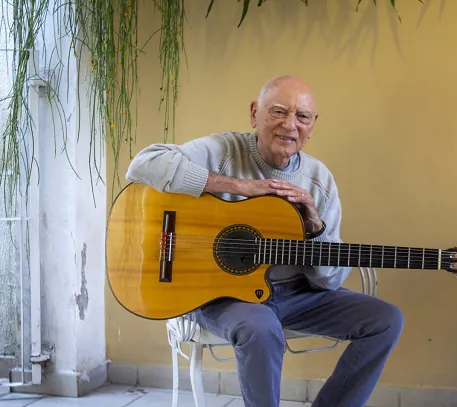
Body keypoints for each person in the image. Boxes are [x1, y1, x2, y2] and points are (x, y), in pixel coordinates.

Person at [125, 75, 404, 407]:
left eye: (302, 117)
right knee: (260, 326)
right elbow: (143, 164)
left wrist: (314, 226)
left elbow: (328, 281)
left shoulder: (319, 180)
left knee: (385, 320)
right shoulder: (222, 151)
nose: (290, 125)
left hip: (297, 295)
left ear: (312, 125)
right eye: (279, 112)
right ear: (255, 113)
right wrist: (240, 187)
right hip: (221, 295)